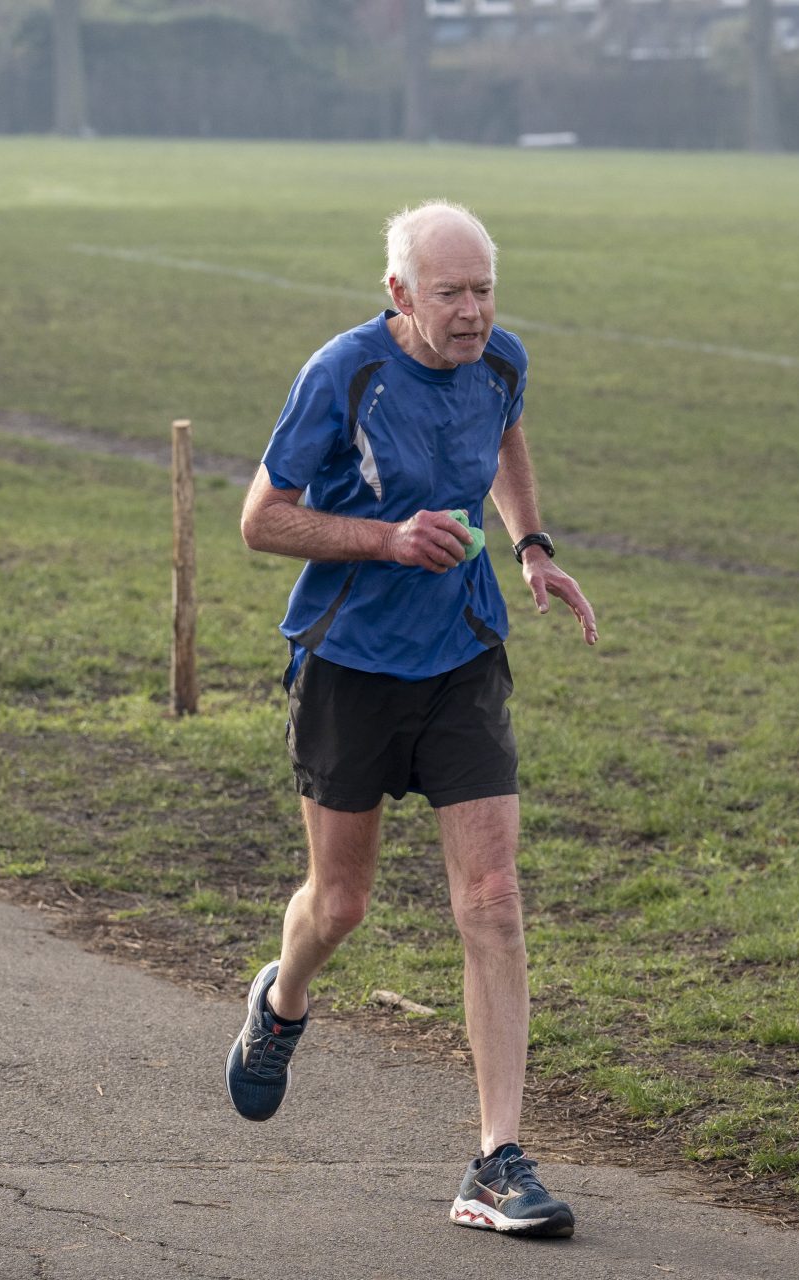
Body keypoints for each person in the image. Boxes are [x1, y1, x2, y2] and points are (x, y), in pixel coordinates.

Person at [226, 200, 597, 1240]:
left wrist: (531, 546)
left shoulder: (502, 360)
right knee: (339, 903)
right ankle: (282, 997)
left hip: (464, 654)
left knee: (494, 894)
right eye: (451, 294)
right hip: (348, 660)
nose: (474, 311)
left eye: (485, 290)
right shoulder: (342, 372)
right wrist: (387, 541)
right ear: (399, 294)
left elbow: (507, 437)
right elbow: (261, 519)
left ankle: (495, 1157)